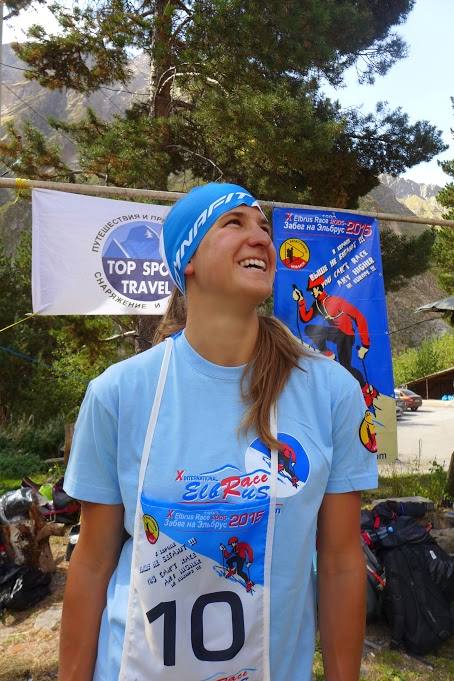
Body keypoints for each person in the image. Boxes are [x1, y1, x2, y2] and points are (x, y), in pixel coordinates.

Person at [60, 182, 378, 681]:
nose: (261, 238)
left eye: (264, 228)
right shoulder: (119, 393)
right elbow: (93, 563)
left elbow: (339, 561)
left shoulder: (332, 391)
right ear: (187, 259)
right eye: (234, 223)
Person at [292, 274, 370, 387]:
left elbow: (359, 317)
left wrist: (365, 345)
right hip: (335, 333)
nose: (311, 293)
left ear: (318, 288)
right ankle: (327, 352)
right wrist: (301, 301)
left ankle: (365, 388)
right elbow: (305, 318)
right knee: (310, 329)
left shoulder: (335, 301)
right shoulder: (317, 304)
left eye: (312, 290)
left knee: (346, 367)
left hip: (346, 336)